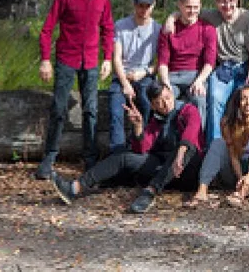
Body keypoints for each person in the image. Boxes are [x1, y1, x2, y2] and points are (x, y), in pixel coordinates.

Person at [50, 81, 204, 214]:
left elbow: (191, 133)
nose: (165, 104)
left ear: (171, 93)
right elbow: (142, 149)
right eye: (159, 102)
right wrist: (138, 127)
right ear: (152, 105)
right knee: (124, 156)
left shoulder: (188, 110)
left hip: (187, 169)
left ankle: (150, 193)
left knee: (183, 148)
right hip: (164, 170)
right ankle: (75, 187)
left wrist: (181, 152)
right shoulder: (155, 120)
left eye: (167, 98)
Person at [36, 0, 114, 179]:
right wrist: (45, 60)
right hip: (66, 61)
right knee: (59, 109)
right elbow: (47, 29)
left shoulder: (103, 0)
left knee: (90, 110)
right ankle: (49, 157)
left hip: (90, 62)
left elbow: (108, 30)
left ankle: (90, 159)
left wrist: (107, 58)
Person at [164, 0, 249, 144]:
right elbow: (187, 11)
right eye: (223, 2)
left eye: (231, 1)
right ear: (216, 3)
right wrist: (171, 18)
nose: (227, 5)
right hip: (223, 68)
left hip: (246, 66)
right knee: (214, 97)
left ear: (237, 0)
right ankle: (214, 145)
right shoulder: (211, 16)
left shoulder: (248, 18)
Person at [185, 84, 249, 207]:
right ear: (238, 103)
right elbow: (233, 155)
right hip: (233, 170)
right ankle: (202, 190)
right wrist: (241, 177)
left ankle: (241, 194)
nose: (248, 103)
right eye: (244, 99)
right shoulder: (227, 123)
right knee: (218, 143)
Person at [108, 0, 161, 154]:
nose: (143, 10)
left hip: (145, 75)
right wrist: (125, 83)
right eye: (140, 5)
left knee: (146, 103)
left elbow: (161, 62)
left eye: (147, 6)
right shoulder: (121, 26)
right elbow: (116, 58)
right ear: (134, 5)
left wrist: (144, 72)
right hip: (122, 76)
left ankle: (141, 147)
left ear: (153, 5)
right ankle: (117, 153)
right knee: (116, 110)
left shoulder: (158, 29)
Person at [157, 0, 217, 127]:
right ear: (180, 5)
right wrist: (166, 83)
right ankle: (165, 140)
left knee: (199, 100)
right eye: (188, 7)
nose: (192, 11)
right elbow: (162, 62)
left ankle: (196, 142)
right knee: (163, 99)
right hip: (173, 75)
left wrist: (200, 80)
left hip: (196, 75)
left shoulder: (207, 29)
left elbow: (210, 62)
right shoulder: (169, 28)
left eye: (196, 7)